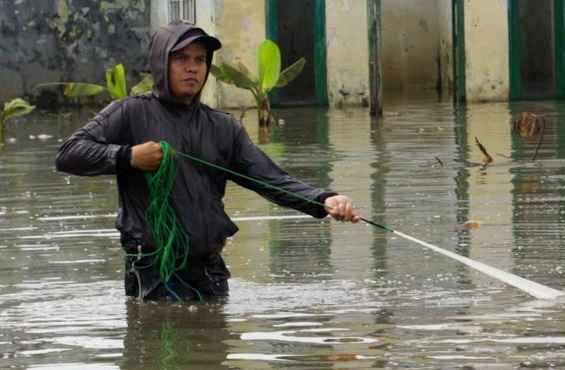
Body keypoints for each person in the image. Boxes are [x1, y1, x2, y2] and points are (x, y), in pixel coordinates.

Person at [55, 20, 358, 301]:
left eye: (200, 60)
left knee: (213, 338)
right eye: (181, 58)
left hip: (210, 270)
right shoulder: (130, 113)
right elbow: (69, 153)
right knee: (158, 337)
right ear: (161, 63)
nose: (192, 68)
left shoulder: (223, 128)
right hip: (154, 271)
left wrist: (323, 199)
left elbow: (271, 179)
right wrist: (128, 156)